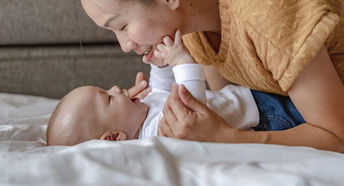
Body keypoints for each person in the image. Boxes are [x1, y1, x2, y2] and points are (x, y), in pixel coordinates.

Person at [74, 0, 344, 152]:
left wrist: (229, 139)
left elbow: (337, 136)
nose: (124, 45)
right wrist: (150, 107)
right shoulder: (191, 25)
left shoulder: (264, 15)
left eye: (121, 26)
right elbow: (227, 98)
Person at [46, 30, 303, 145]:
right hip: (267, 116)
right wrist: (181, 61)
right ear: (115, 137)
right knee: (307, 106)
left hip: (251, 98)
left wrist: (160, 65)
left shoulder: (144, 113)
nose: (115, 87)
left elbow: (162, 88)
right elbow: (189, 99)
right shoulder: (157, 135)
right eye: (109, 98)